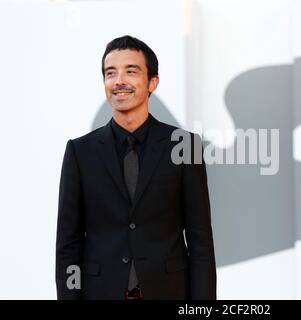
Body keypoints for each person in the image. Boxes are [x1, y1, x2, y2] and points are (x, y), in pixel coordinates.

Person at [55, 35, 216, 300]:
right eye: (110, 73)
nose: (119, 81)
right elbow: (68, 246)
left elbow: (201, 243)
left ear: (153, 82)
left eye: (131, 71)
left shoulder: (184, 146)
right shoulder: (79, 152)